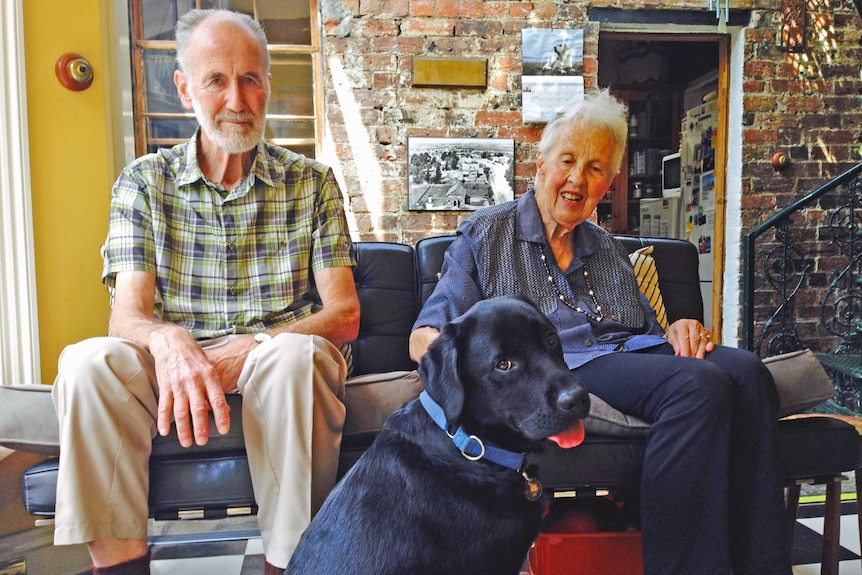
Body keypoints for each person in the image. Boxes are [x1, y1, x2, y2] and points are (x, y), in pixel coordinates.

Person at [409, 90, 791, 575]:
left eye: (595, 168)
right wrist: (464, 387)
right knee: (700, 386)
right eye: (568, 160)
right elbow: (428, 333)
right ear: (542, 164)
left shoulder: (605, 245)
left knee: (749, 371)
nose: (577, 179)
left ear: (609, 182)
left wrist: (679, 329)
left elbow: (649, 336)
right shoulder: (488, 233)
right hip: (568, 366)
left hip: (629, 353)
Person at [50, 9, 359, 575]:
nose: (237, 99)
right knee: (86, 362)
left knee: (294, 354)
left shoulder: (312, 183)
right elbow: (127, 318)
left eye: (250, 78)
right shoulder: (143, 181)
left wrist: (253, 344)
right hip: (171, 373)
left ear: (268, 84)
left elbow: (343, 314)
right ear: (185, 87)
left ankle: (290, 565)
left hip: (274, 363)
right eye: (217, 79)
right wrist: (171, 343)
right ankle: (119, 568)